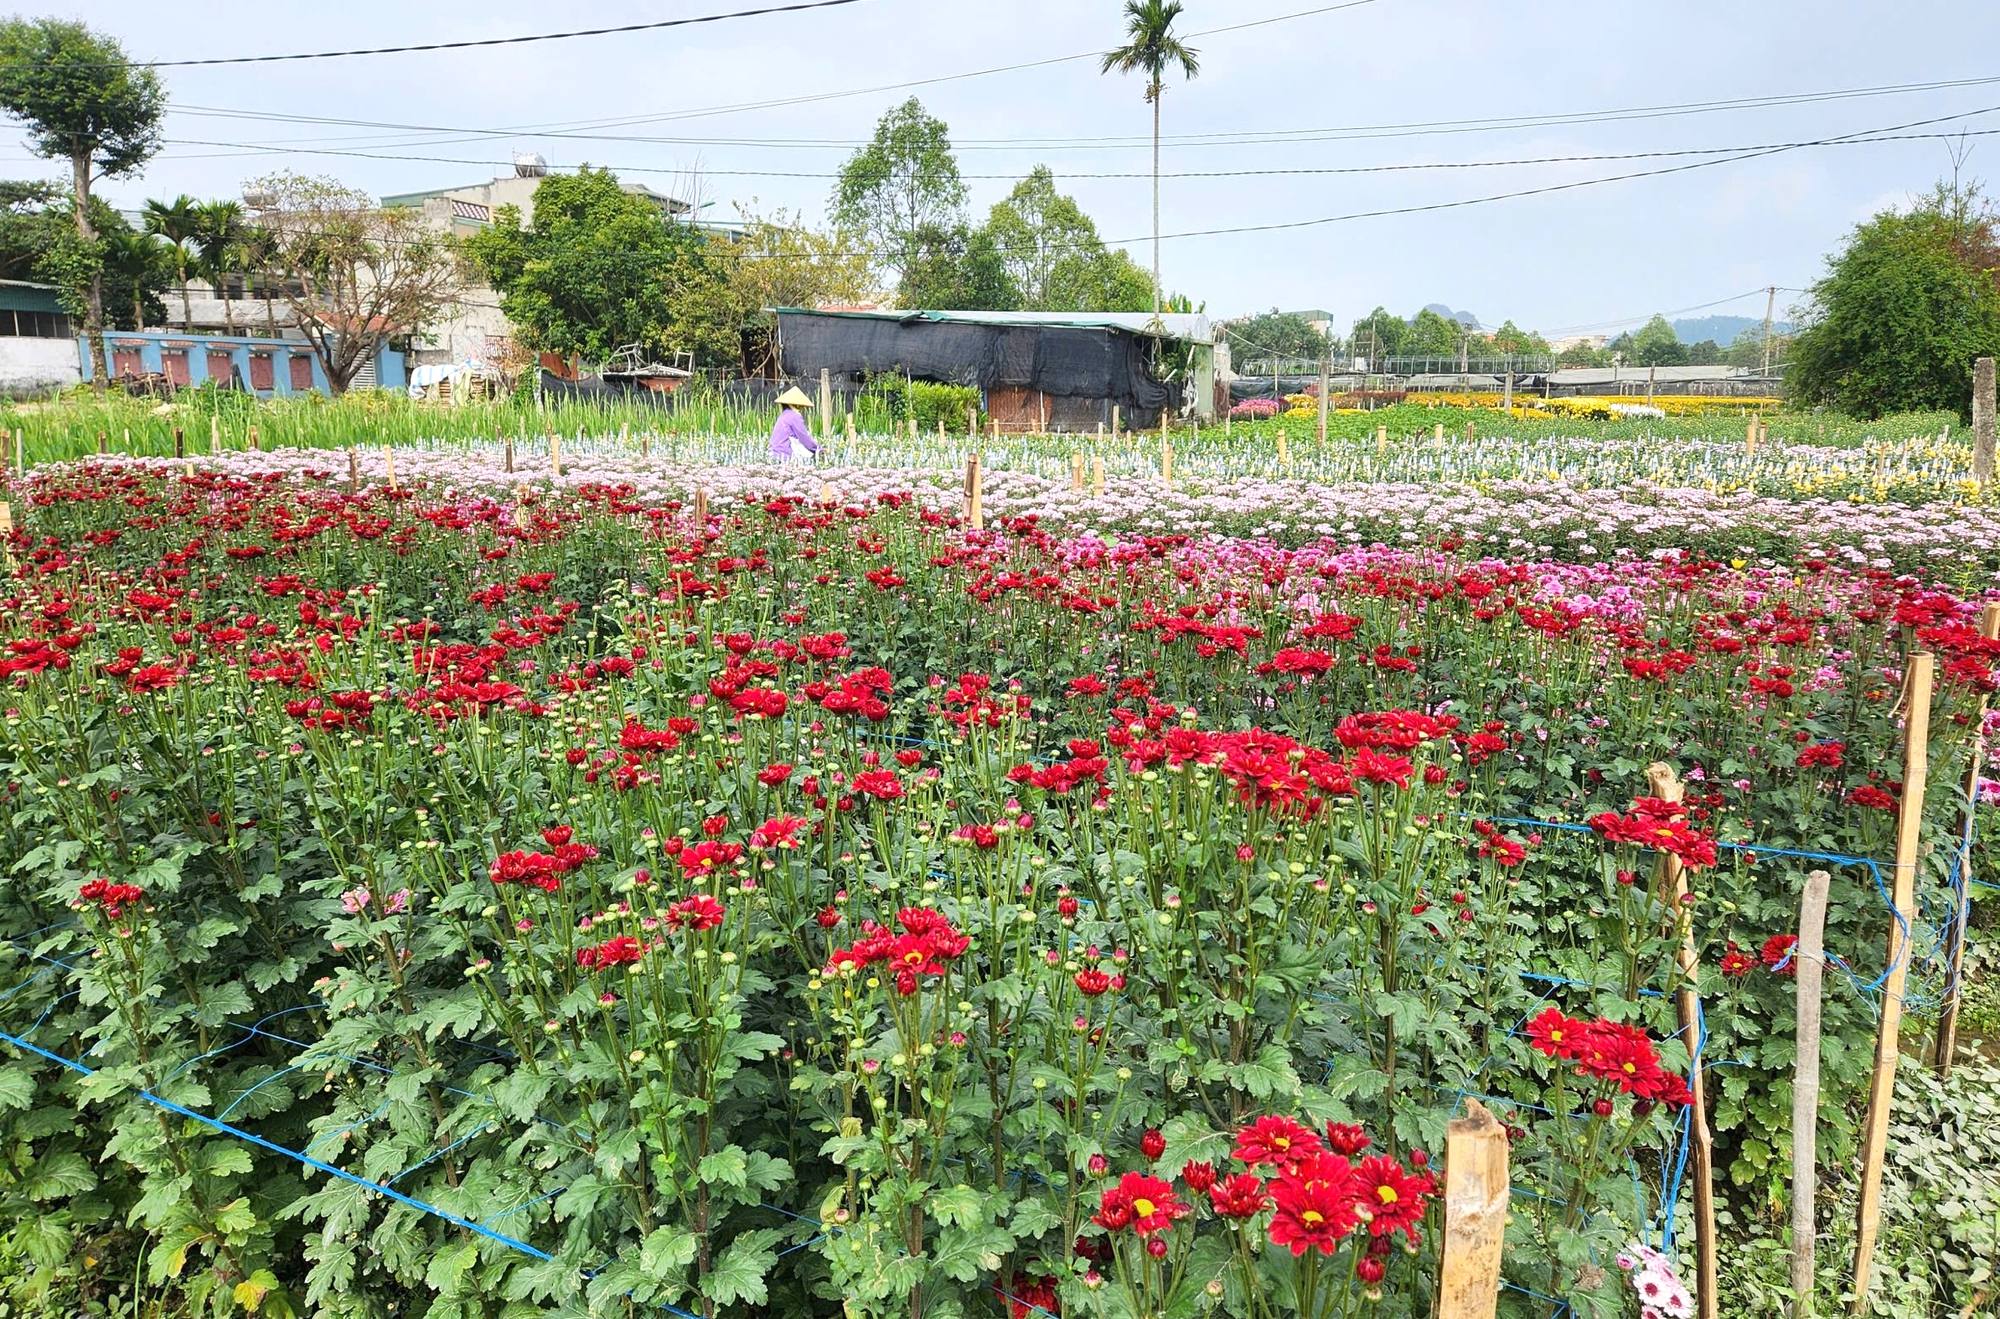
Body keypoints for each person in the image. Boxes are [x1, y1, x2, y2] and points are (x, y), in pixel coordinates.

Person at [769, 386, 820, 464]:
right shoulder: (794, 416)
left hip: (774, 454)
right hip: (785, 455)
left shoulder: (784, 414)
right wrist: (818, 449)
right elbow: (804, 438)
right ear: (797, 405)